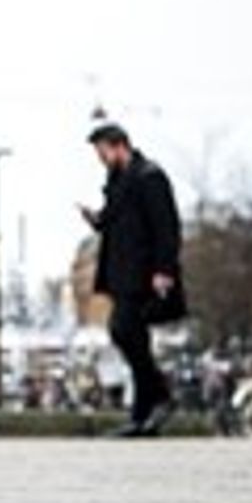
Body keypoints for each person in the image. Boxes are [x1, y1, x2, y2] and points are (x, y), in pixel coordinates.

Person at [79, 121, 183, 437]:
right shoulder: (119, 180)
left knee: (123, 330)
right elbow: (114, 220)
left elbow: (167, 227)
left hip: (143, 273)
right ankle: (144, 414)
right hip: (122, 273)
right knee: (132, 338)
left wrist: (164, 271)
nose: (101, 159)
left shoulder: (149, 177)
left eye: (102, 152)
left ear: (119, 146)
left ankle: (159, 397)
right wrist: (96, 219)